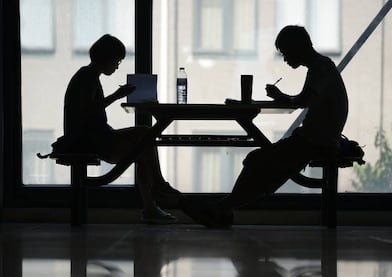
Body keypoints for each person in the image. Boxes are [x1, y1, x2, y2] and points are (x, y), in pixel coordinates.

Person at [183, 25, 348, 228]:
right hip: (319, 139)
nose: (285, 59)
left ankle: (222, 209)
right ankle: (223, 209)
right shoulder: (321, 66)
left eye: (286, 53)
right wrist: (283, 97)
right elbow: (305, 100)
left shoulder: (320, 67)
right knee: (266, 166)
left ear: (297, 48)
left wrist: (283, 97)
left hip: (316, 141)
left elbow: (302, 100)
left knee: (258, 161)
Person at [64, 34, 179, 224]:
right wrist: (117, 95)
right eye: (117, 61)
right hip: (93, 140)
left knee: (145, 133)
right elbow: (90, 110)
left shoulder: (87, 75)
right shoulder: (87, 77)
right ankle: (154, 196)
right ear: (107, 58)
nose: (117, 66)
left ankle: (156, 189)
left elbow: (89, 109)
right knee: (143, 148)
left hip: (97, 135)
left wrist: (117, 95)